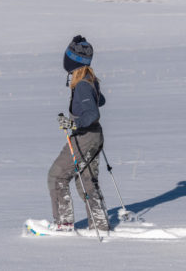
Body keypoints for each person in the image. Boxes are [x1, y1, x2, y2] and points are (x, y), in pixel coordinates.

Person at [47, 35, 110, 232]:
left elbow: (93, 112)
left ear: (73, 61)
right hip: (94, 137)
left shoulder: (82, 84)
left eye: (67, 55)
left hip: (84, 137)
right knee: (86, 182)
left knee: (57, 176)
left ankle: (64, 224)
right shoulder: (88, 79)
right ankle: (100, 224)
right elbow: (100, 101)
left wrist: (74, 124)